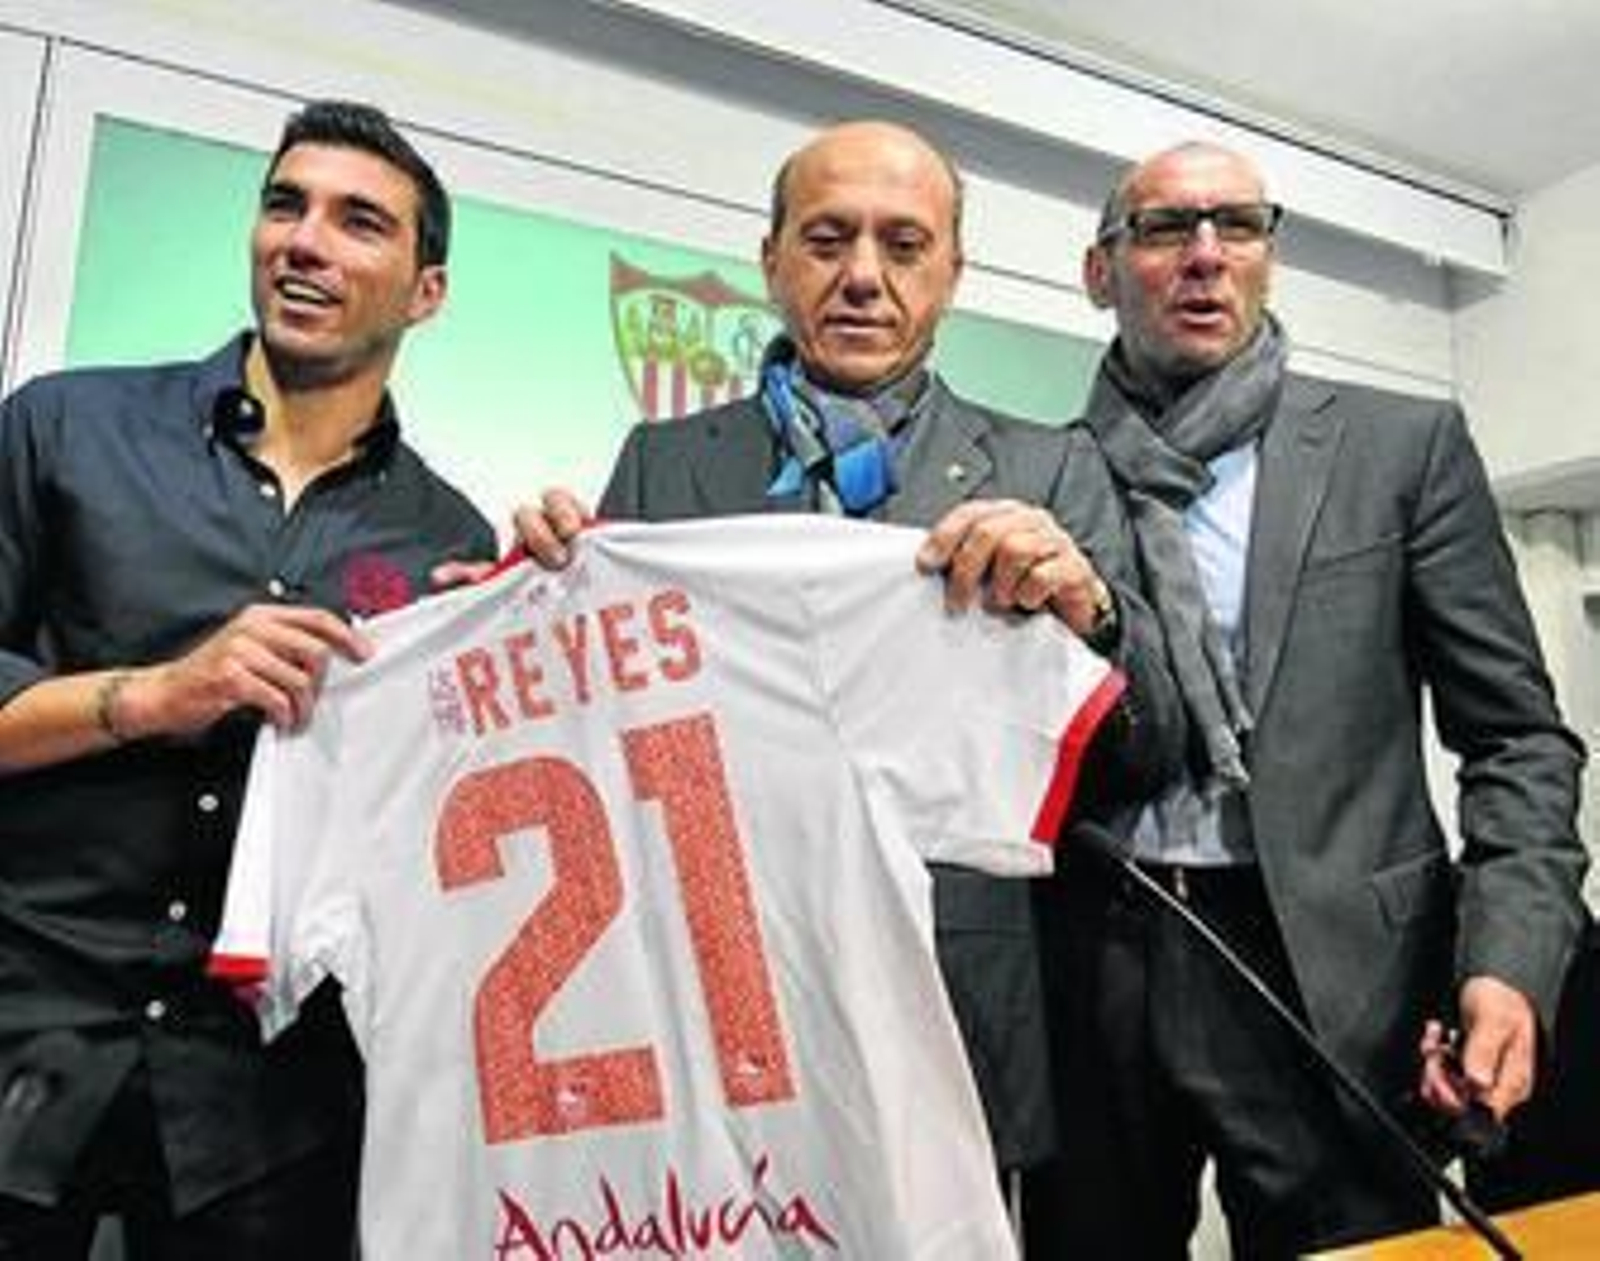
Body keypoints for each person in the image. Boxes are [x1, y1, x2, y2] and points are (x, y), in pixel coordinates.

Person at [513, 119, 1185, 1184]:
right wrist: (530, 612)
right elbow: (596, 749)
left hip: (955, 1020)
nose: (863, 277)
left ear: (953, 272)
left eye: (904, 244)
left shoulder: (1049, 469)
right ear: (772, 260)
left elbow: (1146, 753)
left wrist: (1091, 611)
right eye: (827, 240)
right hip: (715, 1019)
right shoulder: (663, 463)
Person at [1024, 139, 1590, 1258]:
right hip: (1097, 954)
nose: (1204, 256)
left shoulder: (1397, 448)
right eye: (1162, 229)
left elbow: (1517, 736)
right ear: (1100, 271)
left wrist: (1505, 961)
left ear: (1267, 256)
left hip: (1339, 975)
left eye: (1236, 226)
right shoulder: (1035, 471)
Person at [0, 99, 495, 1257]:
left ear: (426, 291)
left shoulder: (447, 544)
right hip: (24, 1036)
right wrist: (152, 695)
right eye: (286, 204)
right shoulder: (66, 428)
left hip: (271, 1106)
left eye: (359, 220)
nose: (305, 240)